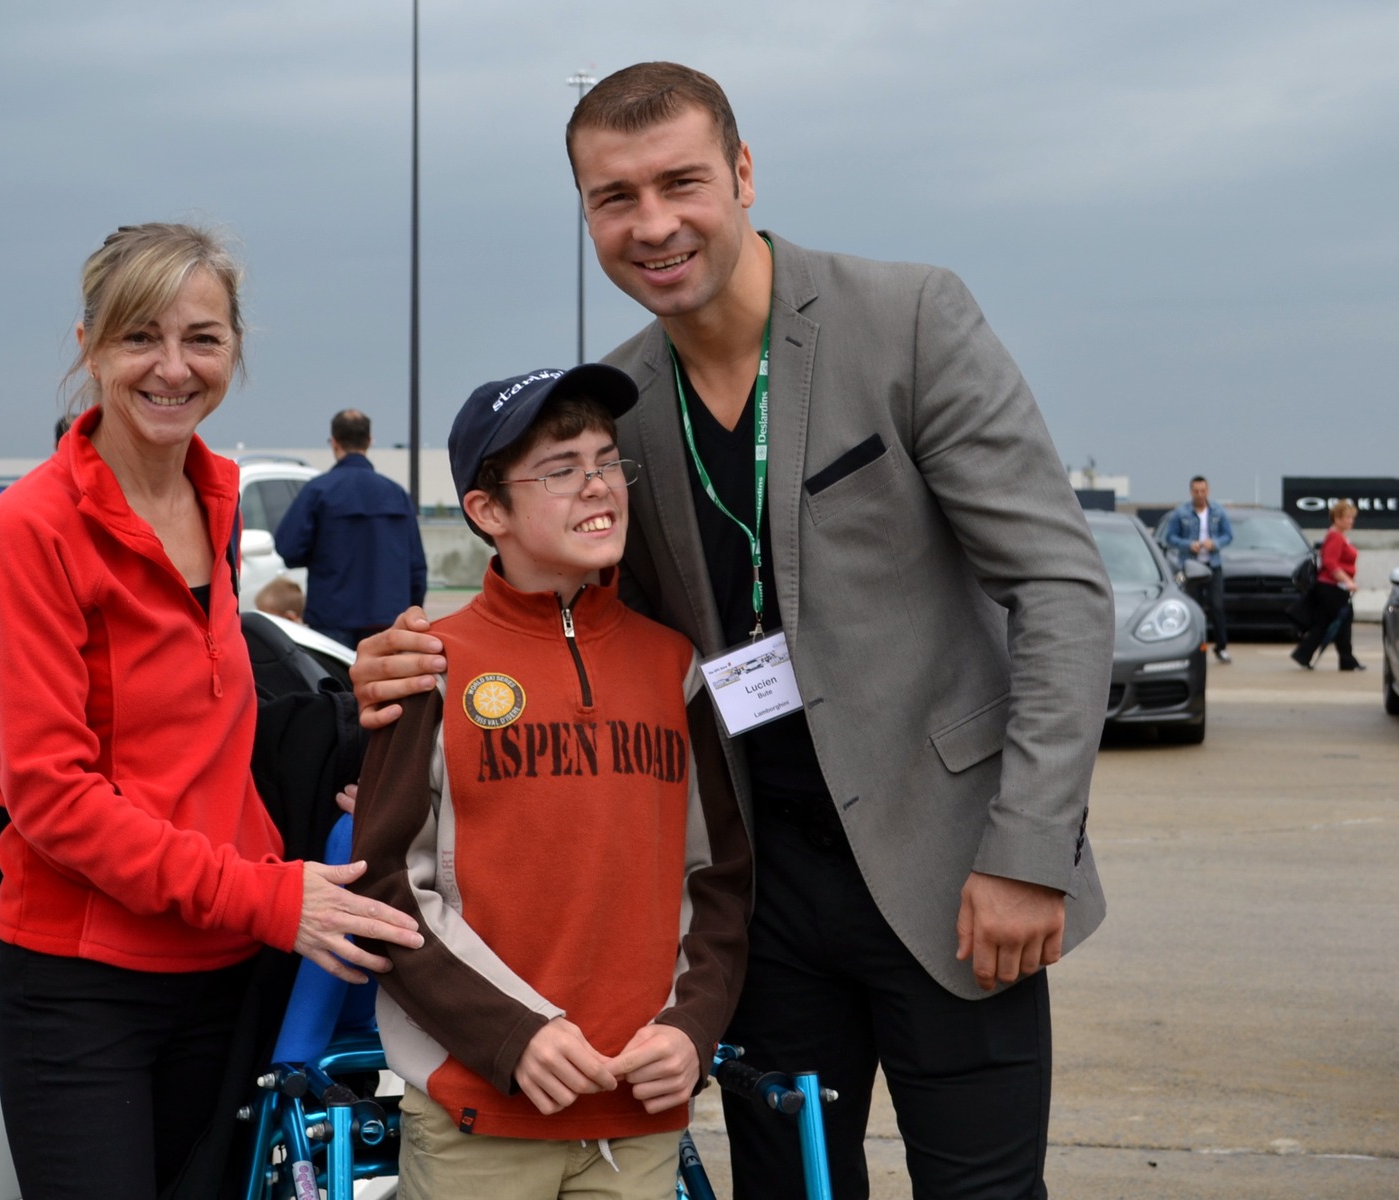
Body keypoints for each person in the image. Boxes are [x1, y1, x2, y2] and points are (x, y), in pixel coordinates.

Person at [352, 62, 1115, 1199]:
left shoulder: (907, 320)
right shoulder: (616, 401)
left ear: (745, 174)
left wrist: (1026, 850)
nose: (652, 225)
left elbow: (1058, 585)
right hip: (758, 900)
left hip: (953, 868)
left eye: (681, 183)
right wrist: (400, 659)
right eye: (615, 198)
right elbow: (584, 626)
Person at [0, 223, 422, 1199]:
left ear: (236, 349)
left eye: (202, 339)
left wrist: (348, 729)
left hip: (226, 972)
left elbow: (205, 733)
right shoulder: (28, 532)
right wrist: (271, 896)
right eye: (140, 338)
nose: (173, 368)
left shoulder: (215, 497)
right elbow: (50, 798)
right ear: (88, 346)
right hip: (88, 996)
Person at [351, 365, 751, 1200]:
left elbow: (717, 882)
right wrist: (512, 1036)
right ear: (487, 511)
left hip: (634, 1116)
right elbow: (390, 893)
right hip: (478, 1118)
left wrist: (692, 1030)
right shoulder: (428, 667)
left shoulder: (675, 667)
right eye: (560, 469)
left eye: (608, 460)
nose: (598, 485)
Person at [272, 408, 427, 648]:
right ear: (369, 441)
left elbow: (288, 548)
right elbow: (416, 566)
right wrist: (410, 609)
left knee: (333, 685)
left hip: (331, 617)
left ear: (334, 442)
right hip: (388, 619)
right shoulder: (396, 494)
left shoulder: (318, 491)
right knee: (382, 686)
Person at [1160, 476, 1233, 663]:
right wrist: (1188, 544)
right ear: (1191, 492)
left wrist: (1214, 543)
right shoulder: (1181, 513)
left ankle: (1221, 647)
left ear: (1208, 491)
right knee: (1193, 607)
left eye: (1203, 491)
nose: (1200, 495)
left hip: (1212, 566)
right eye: (1196, 491)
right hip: (1191, 568)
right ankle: (1193, 648)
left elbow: (1229, 535)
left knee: (1216, 606)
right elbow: (1170, 538)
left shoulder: (1217, 511)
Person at [1291, 500, 1364, 671]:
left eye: (1352, 518)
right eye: (1347, 517)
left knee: (1325, 622)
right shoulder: (1335, 537)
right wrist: (1347, 581)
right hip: (1332, 587)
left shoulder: (1339, 537)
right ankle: (1346, 660)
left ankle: (1304, 654)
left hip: (1333, 587)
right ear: (1337, 518)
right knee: (1343, 620)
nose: (1351, 521)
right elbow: (1330, 563)